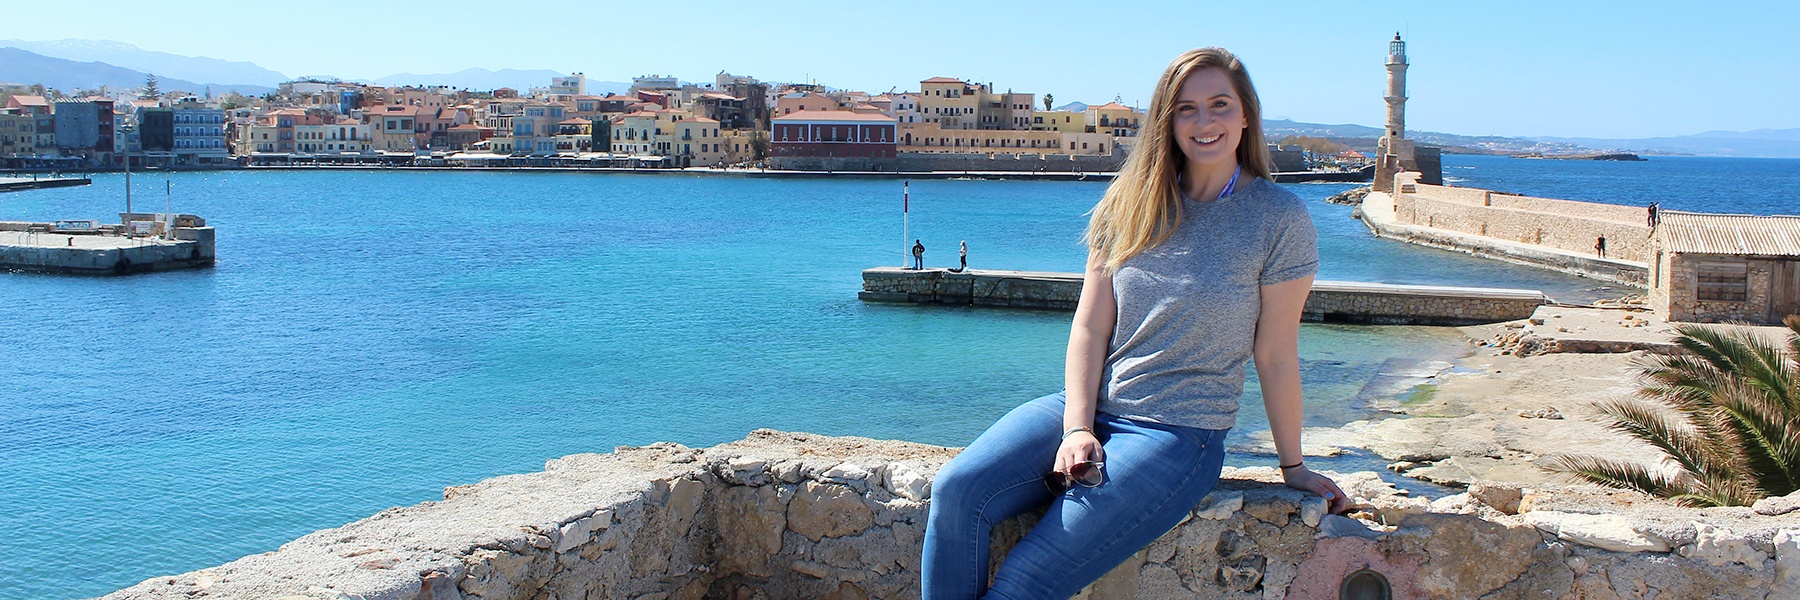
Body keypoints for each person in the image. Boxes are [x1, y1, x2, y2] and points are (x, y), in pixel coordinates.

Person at [921, 47, 1349, 600]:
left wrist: (1293, 465)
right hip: (1089, 410)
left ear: (1246, 115)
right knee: (957, 492)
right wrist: (1077, 428)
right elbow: (1091, 327)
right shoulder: (1129, 203)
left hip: (1177, 434)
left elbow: (1276, 354)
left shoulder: (1279, 219)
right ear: (1167, 122)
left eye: (1220, 105)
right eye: (1186, 108)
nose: (1204, 121)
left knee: (1028, 578)